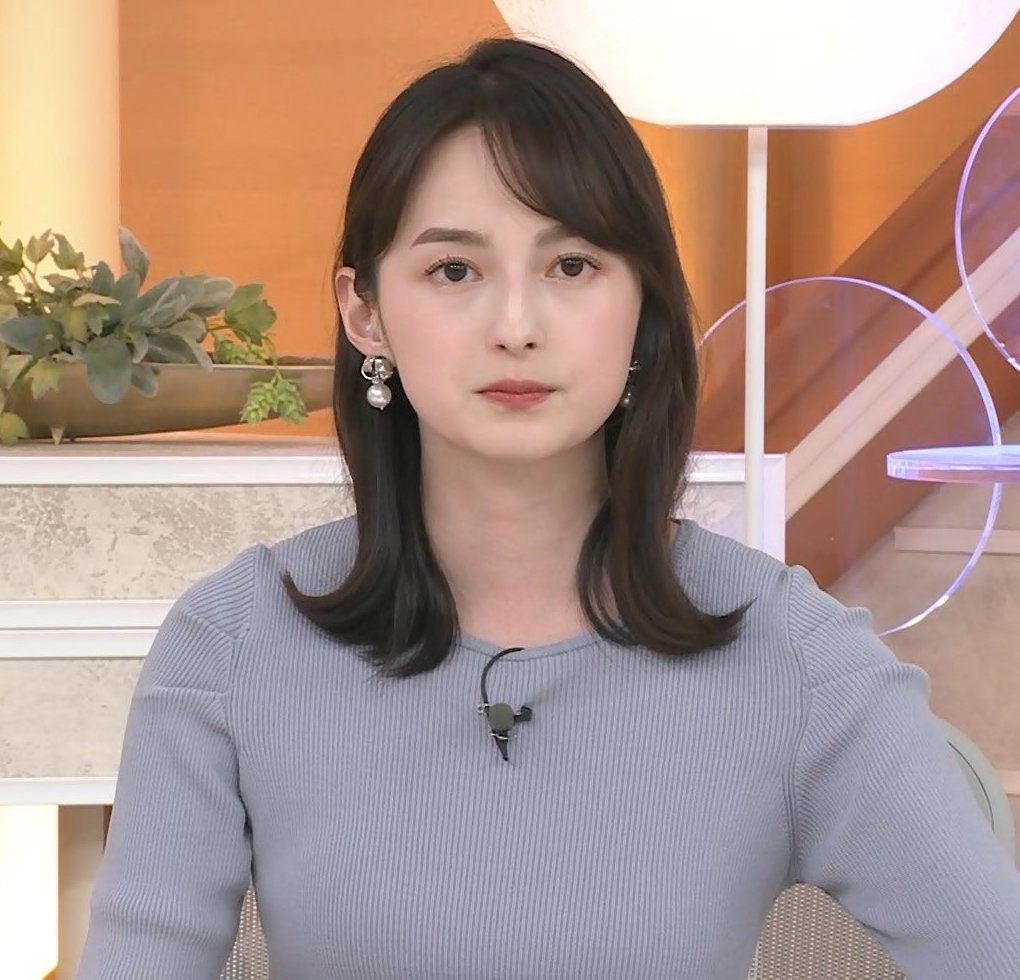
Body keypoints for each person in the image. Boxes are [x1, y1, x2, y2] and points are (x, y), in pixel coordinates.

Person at [76, 33, 1020, 980]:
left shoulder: (795, 658)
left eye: (571, 265)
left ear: (644, 303)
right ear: (366, 314)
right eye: (455, 271)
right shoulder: (230, 645)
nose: (516, 327)